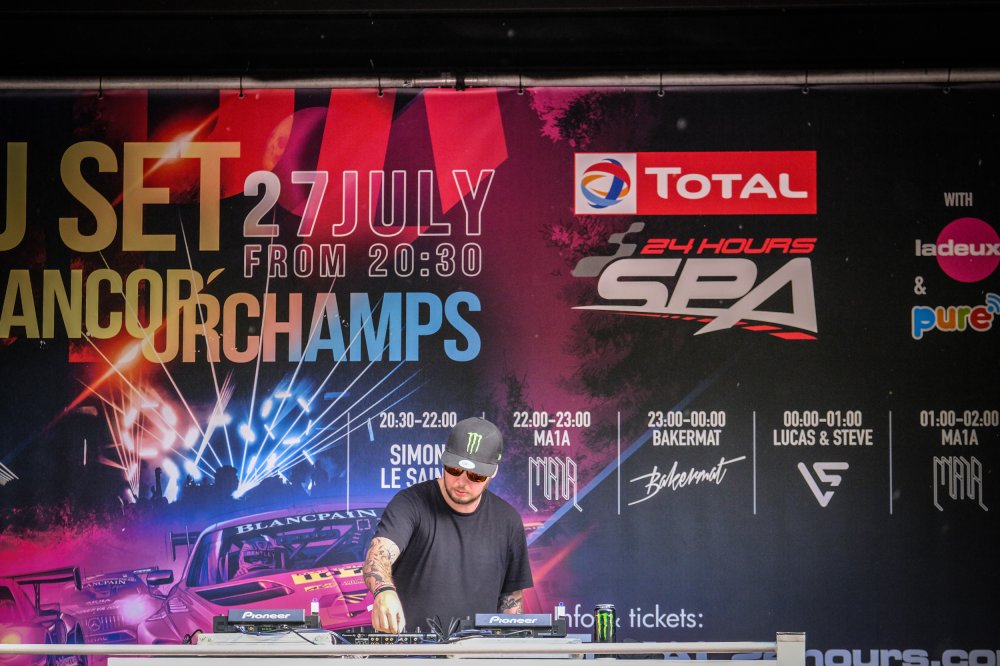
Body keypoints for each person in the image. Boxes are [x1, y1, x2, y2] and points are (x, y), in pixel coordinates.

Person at [363, 417, 533, 633]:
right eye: (454, 469)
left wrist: (512, 643)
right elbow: (378, 556)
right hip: (412, 649)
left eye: (475, 475)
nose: (462, 481)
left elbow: (511, 602)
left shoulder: (507, 520)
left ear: (493, 472)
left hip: (480, 650)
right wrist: (384, 591)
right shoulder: (409, 504)